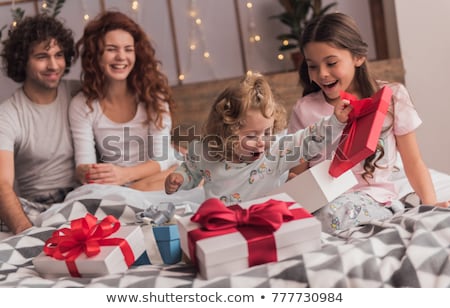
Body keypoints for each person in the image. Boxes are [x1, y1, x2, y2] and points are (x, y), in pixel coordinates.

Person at [287, 12, 449, 233]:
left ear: (358, 57)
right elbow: (298, 174)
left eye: (331, 63)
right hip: (324, 201)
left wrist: (429, 206)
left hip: (376, 199)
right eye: (312, 66)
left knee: (331, 216)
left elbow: (413, 162)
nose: (322, 74)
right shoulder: (304, 109)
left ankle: (402, 210)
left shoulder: (393, 97)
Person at [165, 72, 351, 204]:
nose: (262, 141)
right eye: (252, 136)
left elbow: (307, 140)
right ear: (226, 133)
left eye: (268, 133)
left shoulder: (275, 152)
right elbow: (191, 170)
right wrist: (179, 178)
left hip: (266, 219)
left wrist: (335, 122)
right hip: (225, 223)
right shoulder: (207, 152)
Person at [69, 11, 179, 191]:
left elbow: (162, 159)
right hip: (118, 185)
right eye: (111, 49)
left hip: (159, 176)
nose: (121, 57)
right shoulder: (82, 105)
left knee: (183, 175)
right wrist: (88, 172)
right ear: (96, 55)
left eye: (128, 49)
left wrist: (124, 175)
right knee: (88, 193)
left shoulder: (153, 96)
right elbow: (83, 163)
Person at [0, 14, 79, 234]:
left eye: (59, 55)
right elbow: (2, 184)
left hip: (83, 196)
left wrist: (167, 147)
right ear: (21, 60)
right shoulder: (8, 114)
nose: (53, 65)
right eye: (42, 56)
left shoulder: (78, 92)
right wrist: (26, 233)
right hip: (38, 206)